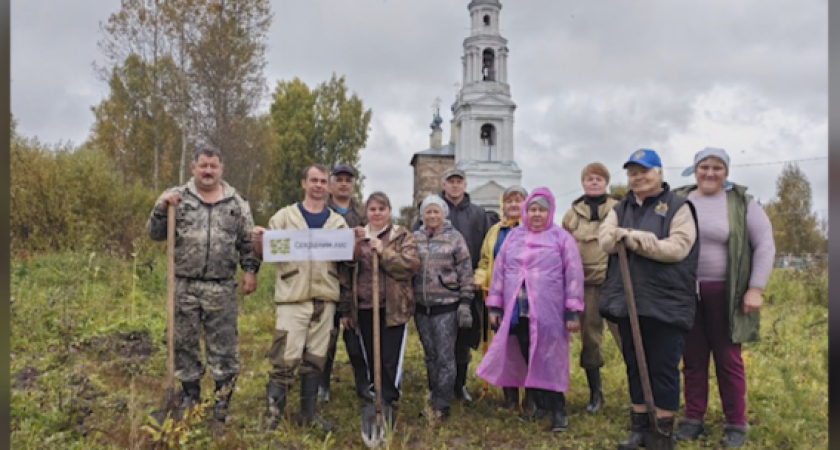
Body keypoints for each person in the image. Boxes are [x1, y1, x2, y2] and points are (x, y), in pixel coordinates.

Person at [146, 145, 260, 423]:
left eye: (213, 166)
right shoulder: (176, 198)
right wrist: (161, 209)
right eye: (203, 166)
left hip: (221, 286)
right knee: (183, 342)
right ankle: (190, 396)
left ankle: (222, 401)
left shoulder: (236, 203)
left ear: (221, 169)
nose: (208, 171)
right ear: (193, 168)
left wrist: (250, 271)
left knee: (224, 347)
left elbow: (248, 242)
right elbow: (154, 233)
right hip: (184, 285)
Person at [673, 148, 775, 448]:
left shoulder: (742, 203)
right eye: (704, 166)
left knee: (728, 359)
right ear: (694, 170)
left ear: (726, 173)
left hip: (726, 293)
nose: (710, 173)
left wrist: (755, 288)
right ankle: (693, 419)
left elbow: (765, 245)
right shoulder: (680, 200)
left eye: (717, 167)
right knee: (692, 359)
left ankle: (735, 423)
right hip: (685, 292)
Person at [598, 148, 699, 450]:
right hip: (628, 300)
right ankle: (639, 428)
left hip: (666, 301)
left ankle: (661, 433)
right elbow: (606, 240)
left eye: (644, 170)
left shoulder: (679, 207)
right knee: (634, 362)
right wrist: (630, 235)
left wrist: (638, 243)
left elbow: (678, 248)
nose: (638, 177)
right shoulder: (620, 208)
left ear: (659, 173)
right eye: (632, 172)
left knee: (662, 367)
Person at [252, 164, 351, 432]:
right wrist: (259, 240)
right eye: (314, 180)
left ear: (328, 187)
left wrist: (358, 241)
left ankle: (308, 415)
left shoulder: (337, 223)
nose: (319, 185)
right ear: (304, 183)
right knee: (284, 356)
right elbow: (265, 252)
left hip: (325, 298)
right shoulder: (284, 217)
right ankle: (274, 415)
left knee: (316, 359)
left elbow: (347, 258)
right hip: (292, 297)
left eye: (323, 181)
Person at [476, 187, 584, 433]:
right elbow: (500, 272)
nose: (536, 215)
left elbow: (574, 275)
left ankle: (559, 411)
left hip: (549, 312)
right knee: (528, 357)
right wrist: (495, 306)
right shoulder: (514, 237)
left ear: (550, 212)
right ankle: (540, 407)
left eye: (541, 210)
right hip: (519, 310)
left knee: (550, 358)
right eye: (532, 209)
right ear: (526, 211)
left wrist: (572, 310)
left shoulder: (561, 238)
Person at [341, 191, 419, 434]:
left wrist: (383, 251)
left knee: (389, 357)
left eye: (381, 209)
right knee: (370, 355)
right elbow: (345, 271)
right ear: (366, 211)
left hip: (393, 306)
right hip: (364, 306)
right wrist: (355, 247)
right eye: (373, 209)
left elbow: (410, 266)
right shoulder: (357, 235)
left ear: (389, 211)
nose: (377, 213)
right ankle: (375, 394)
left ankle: (388, 399)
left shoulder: (401, 235)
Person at [414, 167, 493, 402]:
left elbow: (487, 248)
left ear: (465, 184)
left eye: (459, 181)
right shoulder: (427, 218)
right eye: (451, 182)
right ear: (444, 184)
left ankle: (459, 387)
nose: (455, 185)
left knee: (463, 342)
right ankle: (439, 389)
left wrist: (478, 280)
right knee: (437, 348)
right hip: (431, 296)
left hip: (468, 288)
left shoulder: (479, 214)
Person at [561, 162, 623, 414]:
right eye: (589, 178)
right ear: (583, 182)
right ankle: (595, 393)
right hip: (585, 285)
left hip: (615, 284)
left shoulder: (620, 208)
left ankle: (641, 393)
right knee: (590, 340)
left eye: (599, 178)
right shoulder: (572, 213)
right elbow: (564, 246)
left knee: (626, 337)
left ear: (606, 182)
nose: (594, 182)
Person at [413, 195, 474, 421]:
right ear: (422, 216)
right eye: (428, 212)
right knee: (430, 356)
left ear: (443, 214)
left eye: (436, 211)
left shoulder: (455, 239)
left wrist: (465, 303)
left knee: (445, 356)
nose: (432, 216)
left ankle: (441, 406)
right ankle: (435, 392)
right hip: (421, 307)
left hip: (446, 306)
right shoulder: (414, 238)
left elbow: (465, 272)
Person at [473, 185, 528, 411]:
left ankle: (533, 398)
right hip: (501, 297)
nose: (513, 205)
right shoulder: (495, 231)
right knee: (505, 347)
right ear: (502, 205)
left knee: (527, 346)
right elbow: (486, 261)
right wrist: (479, 278)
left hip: (526, 298)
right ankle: (511, 399)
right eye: (509, 201)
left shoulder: (532, 230)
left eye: (518, 200)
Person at [320, 164, 371, 404]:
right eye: (338, 179)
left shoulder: (362, 214)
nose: (343, 184)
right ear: (331, 184)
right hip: (326, 280)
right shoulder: (321, 211)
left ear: (353, 185)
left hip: (354, 284)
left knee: (354, 340)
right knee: (325, 339)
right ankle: (322, 385)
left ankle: (363, 384)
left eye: (347, 180)